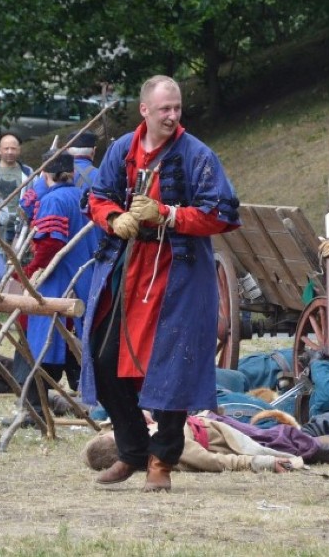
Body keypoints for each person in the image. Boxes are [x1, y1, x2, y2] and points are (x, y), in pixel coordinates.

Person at [78, 75, 241, 493]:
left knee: (173, 365)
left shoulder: (197, 155)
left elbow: (221, 213)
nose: (172, 115)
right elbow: (97, 196)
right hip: (127, 268)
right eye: (164, 108)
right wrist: (116, 218)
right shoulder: (121, 150)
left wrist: (167, 214)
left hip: (178, 274)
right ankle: (132, 450)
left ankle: (162, 461)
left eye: (177, 108)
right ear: (145, 110)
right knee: (103, 355)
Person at [22, 149, 99, 391]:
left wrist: (31, 269)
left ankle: (37, 399)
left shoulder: (53, 200)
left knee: (46, 333)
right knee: (82, 331)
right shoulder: (83, 194)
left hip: (60, 273)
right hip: (86, 272)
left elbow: (50, 243)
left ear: (46, 173)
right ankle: (82, 387)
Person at [83, 411, 320, 476]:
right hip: (231, 432)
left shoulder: (136, 433)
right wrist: (265, 462)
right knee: (299, 441)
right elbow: (218, 461)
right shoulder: (171, 448)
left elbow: (113, 424)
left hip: (209, 415)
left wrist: (143, 415)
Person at [0, 133, 32, 248]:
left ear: (19, 150)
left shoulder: (28, 173)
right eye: (6, 148)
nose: (10, 152)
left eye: (13, 148)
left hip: (17, 228)